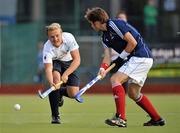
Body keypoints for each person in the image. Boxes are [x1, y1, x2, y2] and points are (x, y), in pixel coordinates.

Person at [85, 7, 165, 127]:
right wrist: (103, 69)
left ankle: (121, 118)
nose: (92, 26)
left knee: (115, 79)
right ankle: (157, 119)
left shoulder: (114, 24)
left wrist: (120, 58)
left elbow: (133, 42)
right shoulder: (104, 37)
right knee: (133, 93)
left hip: (140, 56)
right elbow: (107, 57)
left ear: (96, 22)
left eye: (91, 23)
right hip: (139, 59)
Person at [43, 23, 81, 124]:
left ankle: (59, 92)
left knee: (74, 94)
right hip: (57, 62)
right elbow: (48, 68)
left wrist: (66, 74)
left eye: (57, 35)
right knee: (56, 80)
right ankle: (55, 116)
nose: (55, 39)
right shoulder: (47, 48)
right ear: (48, 37)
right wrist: (51, 83)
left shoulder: (69, 38)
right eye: (52, 37)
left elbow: (77, 59)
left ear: (61, 33)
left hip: (70, 62)